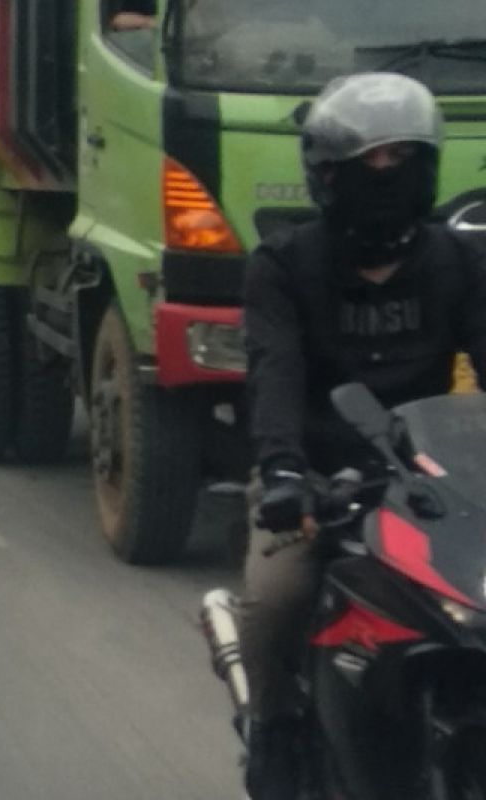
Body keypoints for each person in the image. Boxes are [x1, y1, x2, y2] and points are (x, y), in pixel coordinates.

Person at [241, 72, 486, 799]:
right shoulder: (284, 266)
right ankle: (276, 725)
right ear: (326, 175)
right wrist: (283, 473)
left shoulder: (460, 262)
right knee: (274, 597)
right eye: (368, 163)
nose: (387, 177)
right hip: (320, 483)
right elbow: (275, 373)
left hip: (434, 486)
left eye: (402, 159)